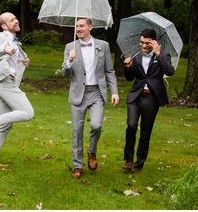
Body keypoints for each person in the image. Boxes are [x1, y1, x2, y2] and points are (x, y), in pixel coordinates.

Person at [62, 17, 119, 179]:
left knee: (96, 125)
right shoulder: (69, 47)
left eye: (81, 26)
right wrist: (69, 60)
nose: (78, 29)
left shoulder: (103, 46)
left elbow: (109, 71)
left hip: (96, 93)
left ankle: (92, 152)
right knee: (77, 130)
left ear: (90, 27)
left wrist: (114, 91)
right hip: (78, 93)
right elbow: (64, 73)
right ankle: (77, 165)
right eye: (76, 26)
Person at [0, 12, 34, 167]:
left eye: (16, 18)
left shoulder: (15, 41)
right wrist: (4, 48)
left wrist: (23, 61)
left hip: (0, 84)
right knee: (28, 113)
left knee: (7, 124)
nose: (16, 21)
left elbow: (13, 60)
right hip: (3, 83)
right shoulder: (1, 36)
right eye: (12, 20)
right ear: (4, 26)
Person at [122, 28, 175, 173]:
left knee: (146, 131)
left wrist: (159, 53)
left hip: (151, 98)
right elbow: (129, 78)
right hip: (135, 96)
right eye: (141, 42)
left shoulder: (163, 56)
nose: (143, 46)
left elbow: (170, 71)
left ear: (153, 42)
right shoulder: (136, 56)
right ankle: (128, 159)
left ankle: (139, 163)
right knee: (131, 126)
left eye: (147, 43)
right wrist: (128, 67)